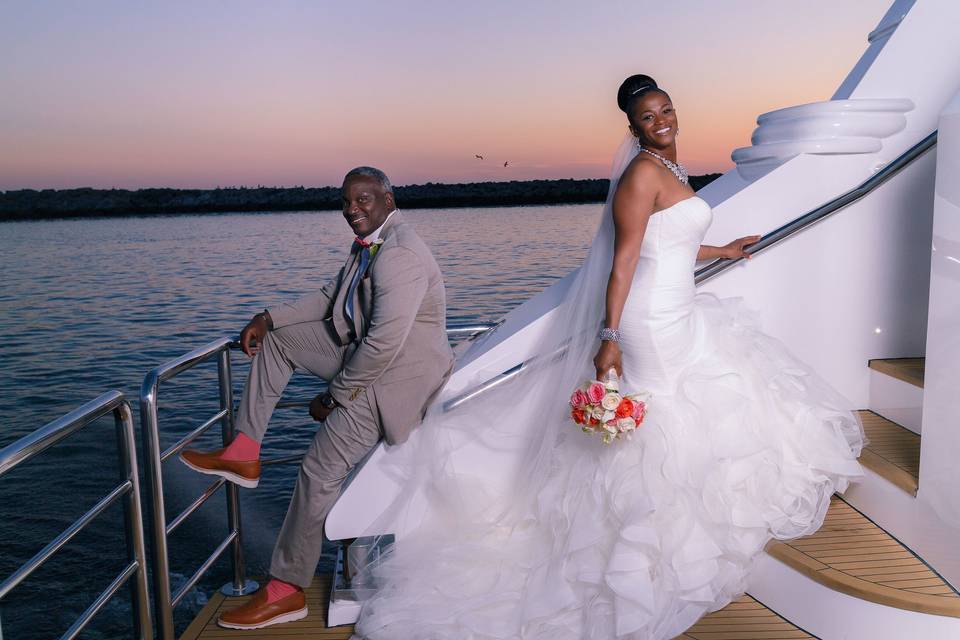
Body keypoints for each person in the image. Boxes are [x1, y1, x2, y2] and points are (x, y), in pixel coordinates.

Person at [352, 76, 864, 639]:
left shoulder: (669, 168)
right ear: (633, 126)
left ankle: (684, 522)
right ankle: (663, 542)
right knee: (671, 419)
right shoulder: (642, 173)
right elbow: (623, 262)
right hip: (648, 320)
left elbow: (667, 242)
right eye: (648, 116)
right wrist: (610, 335)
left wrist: (723, 249)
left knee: (693, 408)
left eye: (666, 109)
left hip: (679, 308)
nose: (662, 120)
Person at [179, 166, 455, 630]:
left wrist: (334, 396)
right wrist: (268, 317)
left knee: (317, 470)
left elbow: (385, 345)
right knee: (281, 341)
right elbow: (332, 298)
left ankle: (286, 590)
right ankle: (244, 451)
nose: (352, 210)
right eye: (346, 202)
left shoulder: (401, 254)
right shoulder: (368, 245)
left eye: (363, 200)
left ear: (388, 200)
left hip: (394, 380)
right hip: (370, 355)